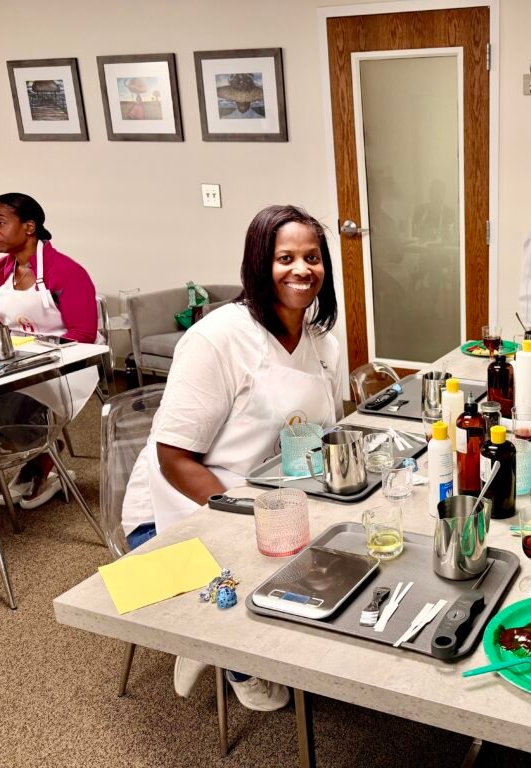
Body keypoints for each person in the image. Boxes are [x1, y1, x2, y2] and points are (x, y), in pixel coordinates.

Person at [121, 204, 345, 711]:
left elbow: (325, 432)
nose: (301, 269)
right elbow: (173, 457)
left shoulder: (321, 340)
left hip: (276, 498)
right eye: (285, 257)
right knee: (257, 591)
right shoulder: (217, 338)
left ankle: (219, 631)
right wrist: (252, 518)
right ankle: (213, 645)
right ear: (258, 263)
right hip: (182, 511)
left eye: (312, 257)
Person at [0, 193, 99, 508]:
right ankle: (35, 453)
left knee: (2, 410)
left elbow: (83, 336)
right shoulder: (0, 271)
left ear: (29, 226)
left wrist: (31, 357)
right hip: (16, 365)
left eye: (0, 222)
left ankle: (44, 454)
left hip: (64, 365)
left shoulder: (67, 272)